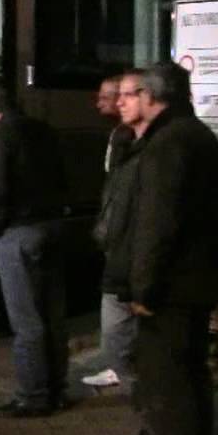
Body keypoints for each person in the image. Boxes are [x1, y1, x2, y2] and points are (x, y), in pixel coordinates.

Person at [128, 62, 218, 435]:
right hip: (197, 282)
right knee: (192, 378)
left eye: (136, 93)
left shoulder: (169, 142)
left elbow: (158, 223)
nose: (129, 101)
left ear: (153, 97)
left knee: (171, 387)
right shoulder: (197, 135)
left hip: (174, 287)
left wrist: (143, 288)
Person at [0, 83, 70, 417]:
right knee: (53, 313)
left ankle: (33, 395)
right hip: (52, 224)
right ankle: (57, 389)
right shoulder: (44, 130)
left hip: (19, 230)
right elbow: (62, 176)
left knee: (27, 318)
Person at [83, 73, 140, 389]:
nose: (102, 102)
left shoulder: (124, 137)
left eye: (109, 95)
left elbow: (117, 190)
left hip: (122, 240)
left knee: (118, 314)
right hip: (119, 236)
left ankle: (126, 371)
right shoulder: (121, 134)